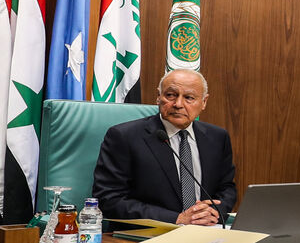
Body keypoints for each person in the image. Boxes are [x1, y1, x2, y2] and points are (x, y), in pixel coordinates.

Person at [92, 69, 236, 225]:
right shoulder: (124, 137)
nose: (178, 104)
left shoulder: (217, 137)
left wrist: (212, 213)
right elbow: (109, 199)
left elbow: (226, 188)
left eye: (189, 98)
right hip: (150, 234)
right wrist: (176, 219)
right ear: (158, 97)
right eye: (170, 95)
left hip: (206, 231)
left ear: (204, 102)